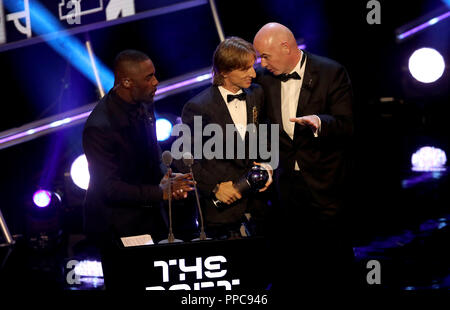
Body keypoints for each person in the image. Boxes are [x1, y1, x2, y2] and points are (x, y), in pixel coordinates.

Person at [253, 23, 355, 290]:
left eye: (265, 56)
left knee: (335, 264)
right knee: (294, 268)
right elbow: (262, 128)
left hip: (326, 184)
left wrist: (320, 122)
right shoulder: (264, 80)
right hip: (285, 189)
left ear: (286, 47)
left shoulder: (331, 72)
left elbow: (347, 124)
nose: (261, 63)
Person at [82, 50, 194, 251]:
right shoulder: (99, 127)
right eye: (148, 77)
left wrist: (165, 176)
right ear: (127, 82)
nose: (156, 82)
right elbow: (109, 188)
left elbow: (151, 148)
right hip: (117, 224)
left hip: (150, 214)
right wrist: (160, 193)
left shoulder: (144, 103)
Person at [180, 37, 272, 240]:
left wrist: (267, 164)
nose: (253, 74)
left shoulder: (257, 94)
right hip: (221, 212)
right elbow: (183, 158)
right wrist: (214, 187)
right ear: (224, 71)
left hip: (258, 207)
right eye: (245, 69)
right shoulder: (198, 107)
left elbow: (265, 132)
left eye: (252, 67)